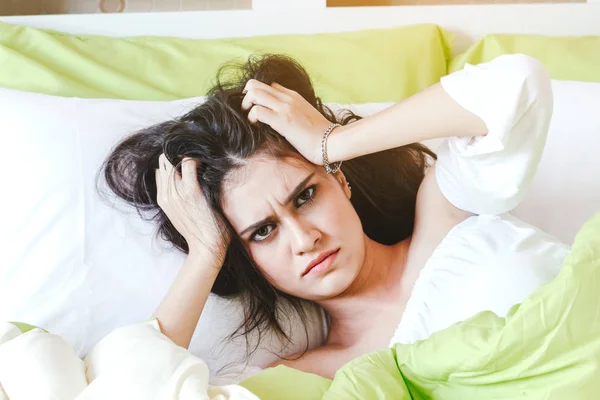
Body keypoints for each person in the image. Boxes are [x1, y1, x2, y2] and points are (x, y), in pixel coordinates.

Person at [101, 53, 569, 380]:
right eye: (263, 232)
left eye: (305, 196)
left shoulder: (448, 214)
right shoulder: (309, 375)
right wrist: (206, 254)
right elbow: (134, 387)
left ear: (338, 181)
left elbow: (518, 85)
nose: (304, 238)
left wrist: (332, 142)